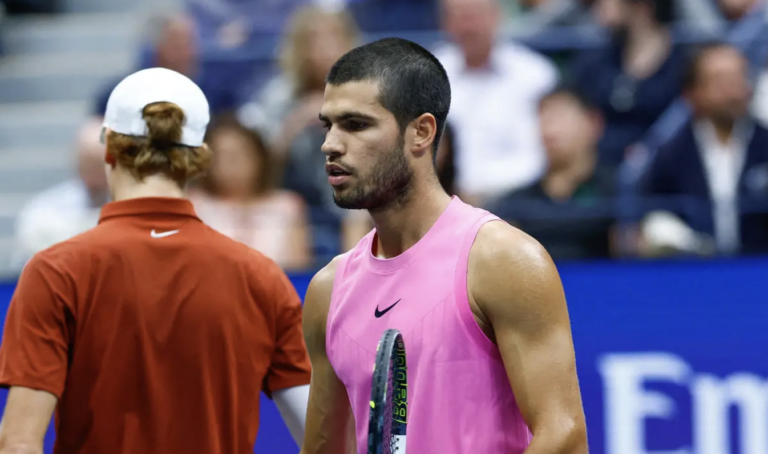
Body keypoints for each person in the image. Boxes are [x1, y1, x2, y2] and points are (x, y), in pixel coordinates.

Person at [0, 68, 311, 454]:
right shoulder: (260, 275)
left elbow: (18, 443)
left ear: (109, 148)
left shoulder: (55, 272)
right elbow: (320, 437)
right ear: (198, 159)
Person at [300, 38, 588, 454]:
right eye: (328, 125)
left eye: (356, 124)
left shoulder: (502, 260)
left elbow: (564, 437)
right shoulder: (327, 291)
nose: (331, 144)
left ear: (421, 132)